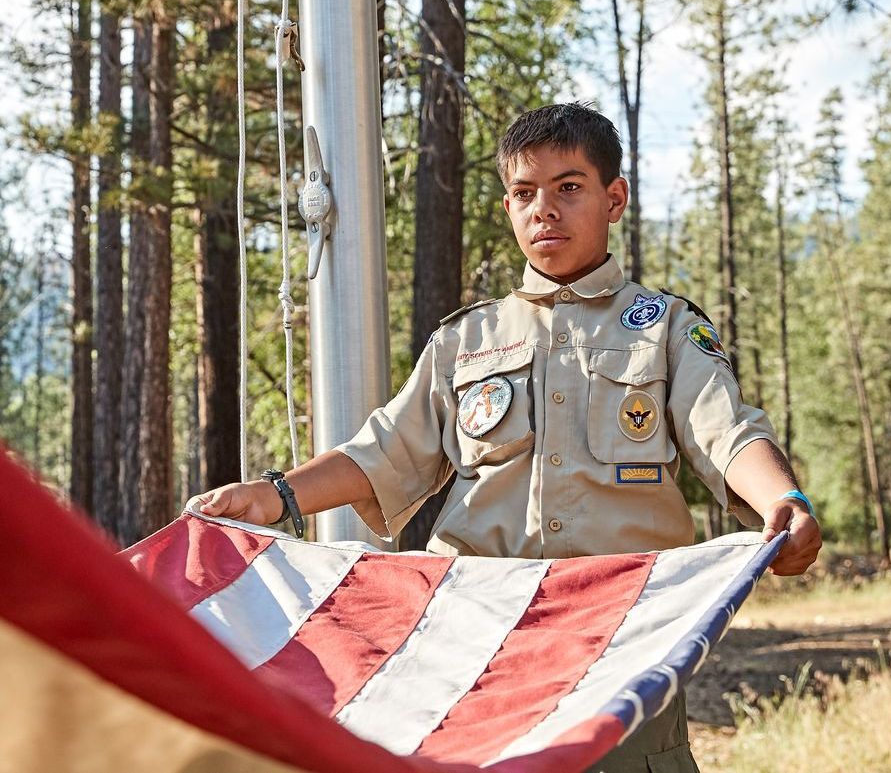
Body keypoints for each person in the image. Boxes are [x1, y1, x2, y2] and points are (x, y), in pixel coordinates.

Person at [192, 102, 822, 773]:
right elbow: (384, 451)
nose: (543, 209)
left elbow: (725, 431)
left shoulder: (661, 328)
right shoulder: (464, 340)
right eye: (525, 192)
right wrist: (273, 495)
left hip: (620, 640)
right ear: (507, 207)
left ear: (614, 198)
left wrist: (781, 498)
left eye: (568, 187)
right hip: (479, 646)